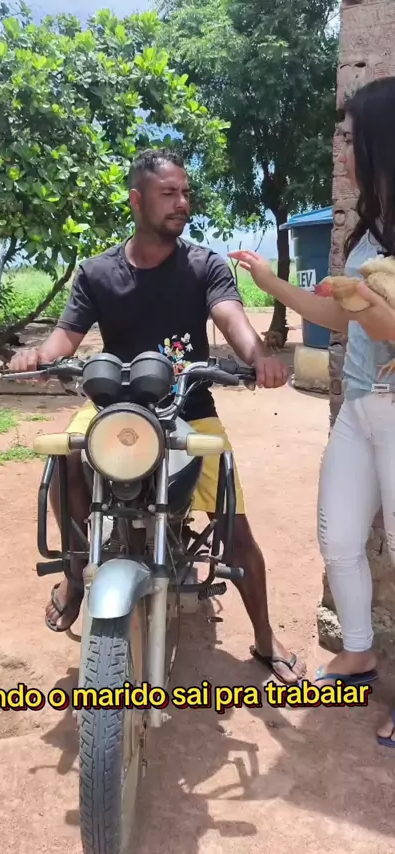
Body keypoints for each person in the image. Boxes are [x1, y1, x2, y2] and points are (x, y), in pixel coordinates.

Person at [8, 147, 305, 686]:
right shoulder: (97, 272)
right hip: (112, 410)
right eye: (169, 193)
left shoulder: (204, 265)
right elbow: (64, 338)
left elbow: (231, 318)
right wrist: (38, 357)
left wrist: (258, 356)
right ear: (137, 200)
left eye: (185, 193)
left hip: (191, 410)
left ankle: (264, 637)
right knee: (64, 457)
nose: (182, 202)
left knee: (234, 529)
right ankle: (76, 572)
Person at [231, 77, 395, 745]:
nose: (346, 153)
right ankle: (358, 652)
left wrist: (368, 308)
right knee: (339, 538)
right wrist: (270, 282)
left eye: (354, 140)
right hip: (359, 404)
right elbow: (341, 316)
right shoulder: (371, 227)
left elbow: (381, 324)